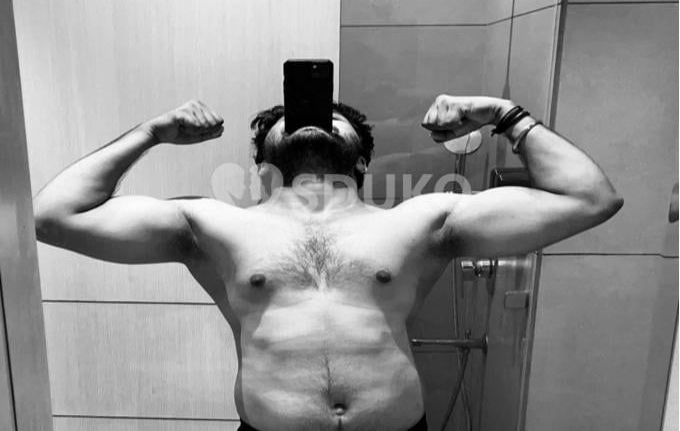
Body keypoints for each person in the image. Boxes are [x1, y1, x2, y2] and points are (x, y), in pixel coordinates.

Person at [33, 96, 623, 431]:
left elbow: (590, 199)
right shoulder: (210, 225)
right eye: (289, 118)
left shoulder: (423, 220)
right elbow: (54, 217)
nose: (311, 119)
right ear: (263, 159)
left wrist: (505, 116)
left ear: (361, 157)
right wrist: (150, 133)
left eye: (330, 117)